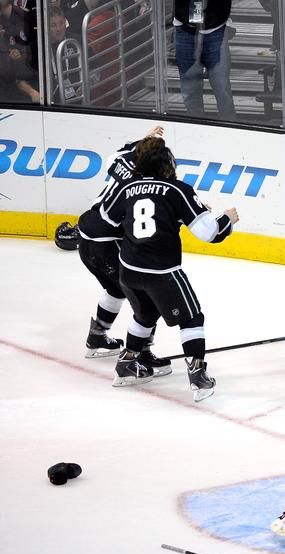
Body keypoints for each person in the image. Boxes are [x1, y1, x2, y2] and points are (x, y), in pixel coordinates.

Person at [99, 136, 239, 401]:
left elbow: (107, 217)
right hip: (162, 272)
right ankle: (198, 377)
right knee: (192, 319)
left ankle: (127, 364)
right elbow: (208, 233)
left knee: (145, 314)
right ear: (167, 162)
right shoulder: (177, 190)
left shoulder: (127, 187)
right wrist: (227, 219)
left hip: (128, 269)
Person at [78, 126, 170, 375]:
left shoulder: (122, 161)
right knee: (149, 300)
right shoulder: (144, 183)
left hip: (86, 239)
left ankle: (97, 337)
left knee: (115, 288)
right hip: (106, 243)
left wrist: (145, 139)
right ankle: (139, 356)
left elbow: (118, 154)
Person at [172, 0, 235, 120]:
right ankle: (195, 126)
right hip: (185, 26)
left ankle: (229, 126)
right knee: (190, 87)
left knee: (221, 85)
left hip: (216, 26)